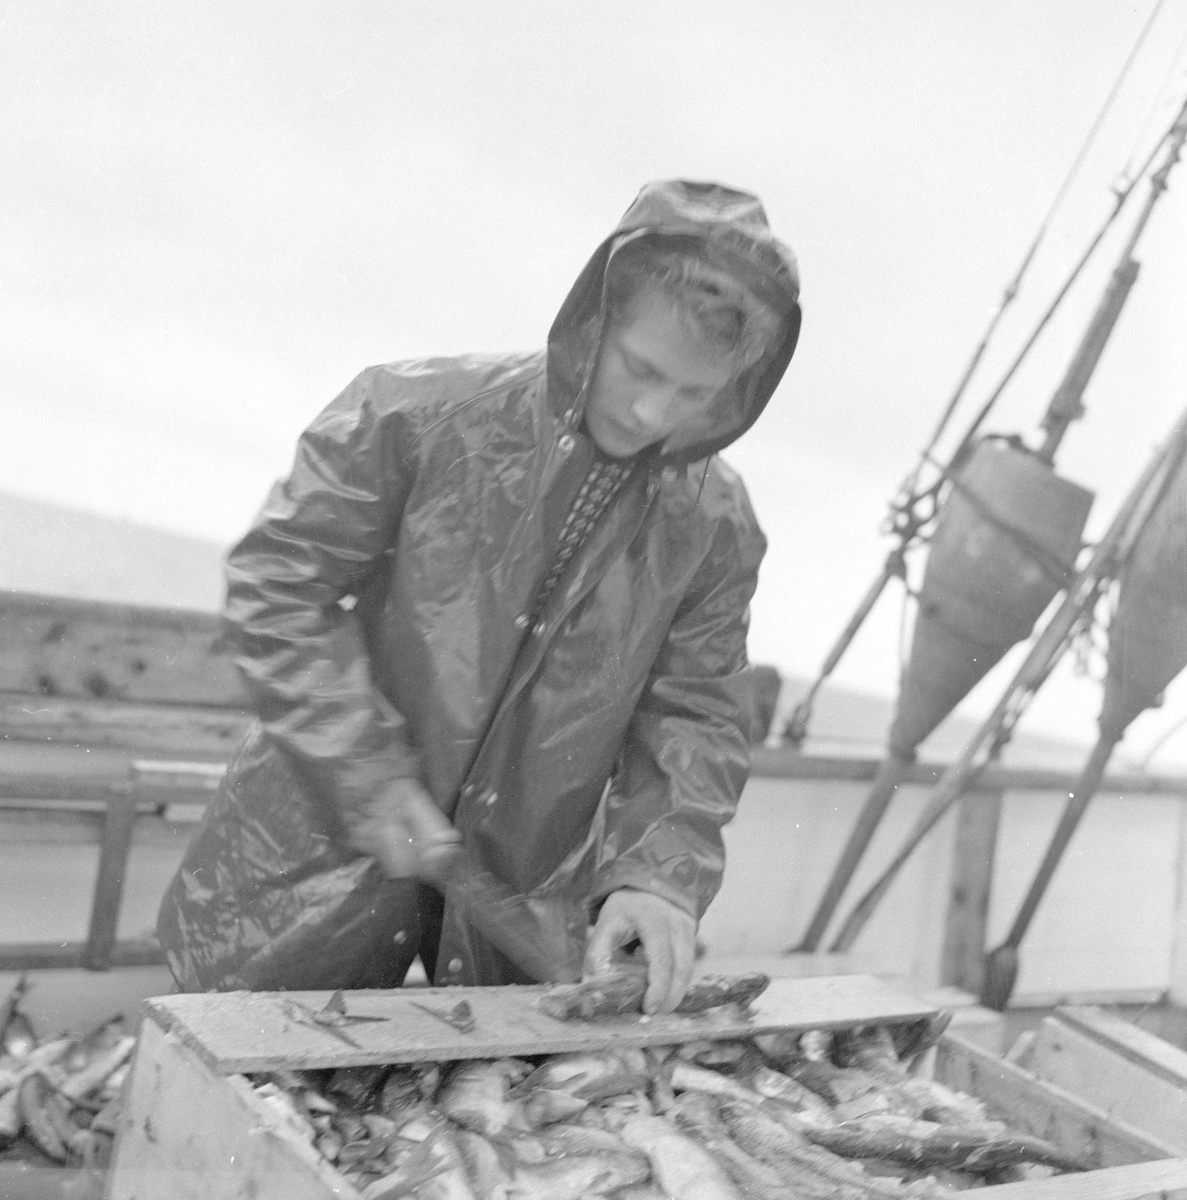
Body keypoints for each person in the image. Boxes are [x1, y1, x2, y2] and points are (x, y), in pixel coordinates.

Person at [157, 179, 802, 1016]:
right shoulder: (410, 413)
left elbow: (696, 710)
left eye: (692, 395)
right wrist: (365, 775)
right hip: (309, 858)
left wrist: (659, 874)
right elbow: (279, 584)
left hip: (516, 901)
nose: (651, 412)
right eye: (640, 368)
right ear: (593, 321)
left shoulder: (716, 523)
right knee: (227, 1083)